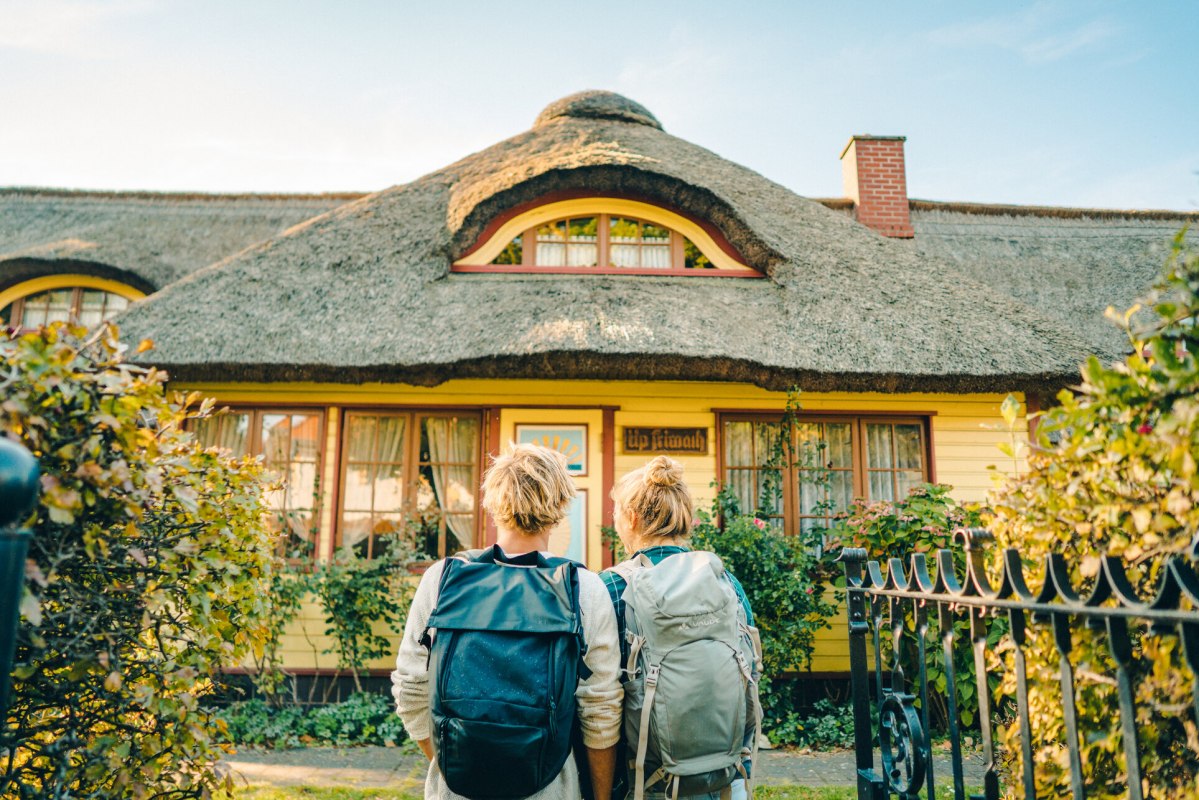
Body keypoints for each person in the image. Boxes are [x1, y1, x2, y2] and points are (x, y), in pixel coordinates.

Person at [392, 443, 623, 800]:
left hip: (455, 789)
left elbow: (410, 689)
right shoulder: (584, 589)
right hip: (550, 787)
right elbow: (600, 710)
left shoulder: (443, 579)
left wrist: (454, 763)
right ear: (560, 507)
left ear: (492, 504)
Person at [601, 456, 758, 800]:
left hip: (641, 781)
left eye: (617, 516)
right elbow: (752, 667)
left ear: (632, 518)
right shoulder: (723, 581)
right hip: (720, 776)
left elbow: (595, 694)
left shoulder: (612, 588)